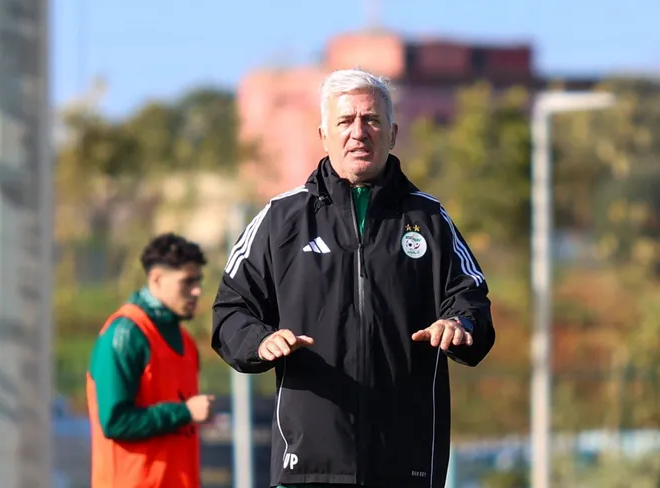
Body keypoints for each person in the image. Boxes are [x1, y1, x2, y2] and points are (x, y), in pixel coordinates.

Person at [212, 68, 495, 488]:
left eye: (372, 120)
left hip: (406, 464)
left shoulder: (430, 219)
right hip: (308, 466)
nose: (358, 132)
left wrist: (460, 325)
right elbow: (231, 309)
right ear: (324, 135)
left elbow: (470, 299)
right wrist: (259, 340)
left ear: (393, 134)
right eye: (345, 121)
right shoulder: (281, 219)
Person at [86, 233, 215, 488]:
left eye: (198, 281)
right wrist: (185, 412)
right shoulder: (125, 333)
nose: (197, 291)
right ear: (156, 278)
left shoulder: (186, 342)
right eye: (187, 281)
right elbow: (115, 421)